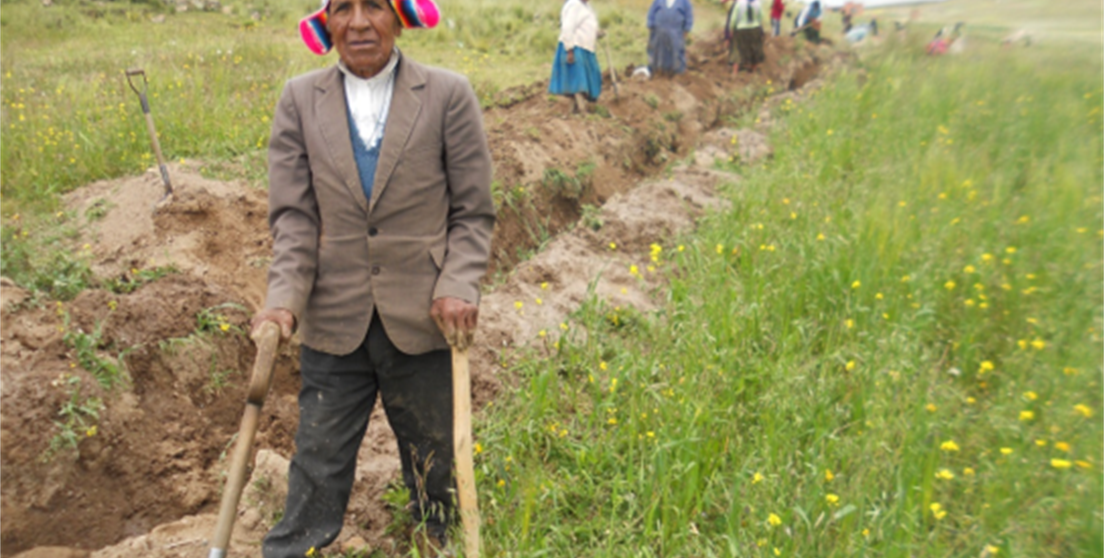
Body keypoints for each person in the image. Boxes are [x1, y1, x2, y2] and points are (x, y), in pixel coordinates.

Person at [253, 0, 495, 556]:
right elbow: (294, 218)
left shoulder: (446, 94)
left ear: (399, 17)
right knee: (317, 461)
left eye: (374, 7)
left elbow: (473, 210)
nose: (359, 22)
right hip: (335, 320)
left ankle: (440, 542)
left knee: (434, 461)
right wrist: (282, 302)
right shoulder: (299, 99)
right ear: (326, 23)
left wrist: (458, 282)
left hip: (423, 316)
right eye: (343, 8)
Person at [549, 0, 602, 113]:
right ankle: (582, 110)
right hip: (575, 47)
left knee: (587, 78)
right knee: (578, 82)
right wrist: (569, 50)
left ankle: (573, 110)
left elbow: (585, 25)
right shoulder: (574, 5)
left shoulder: (586, 7)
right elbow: (567, 28)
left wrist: (596, 32)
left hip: (586, 48)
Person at [646, 0, 694, 77]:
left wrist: (686, 30)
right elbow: (651, 14)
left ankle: (677, 74)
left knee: (676, 52)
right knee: (657, 51)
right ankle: (657, 71)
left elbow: (689, 17)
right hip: (659, 31)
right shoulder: (658, 1)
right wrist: (650, 25)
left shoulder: (684, 2)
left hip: (676, 32)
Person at [725, 0, 765, 76]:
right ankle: (753, 69)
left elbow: (733, 19)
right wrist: (761, 29)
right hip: (754, 28)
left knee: (737, 48)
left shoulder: (739, 3)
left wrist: (731, 30)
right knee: (755, 48)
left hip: (741, 28)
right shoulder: (758, 3)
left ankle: (735, 72)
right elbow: (761, 17)